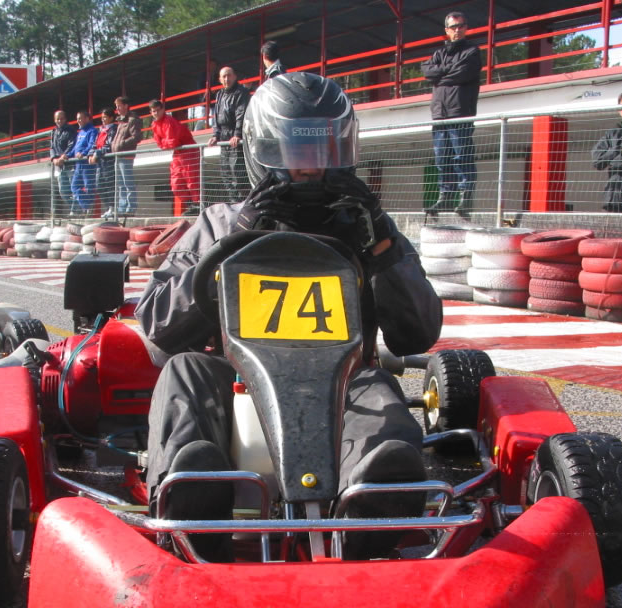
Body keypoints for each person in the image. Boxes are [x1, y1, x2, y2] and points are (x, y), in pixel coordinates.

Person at [134, 73, 443, 562]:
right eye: (298, 151)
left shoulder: (367, 229)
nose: (310, 169)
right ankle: (193, 494)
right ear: (265, 148)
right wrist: (232, 240)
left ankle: (374, 503)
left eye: (324, 150)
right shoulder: (218, 222)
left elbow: (417, 332)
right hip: (235, 379)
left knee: (378, 386)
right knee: (183, 370)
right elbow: (156, 333)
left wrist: (382, 245)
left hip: (343, 382)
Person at [420, 10, 483, 217]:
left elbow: (462, 73)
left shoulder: (472, 52)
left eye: (461, 25)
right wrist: (445, 74)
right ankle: (445, 197)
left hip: (460, 112)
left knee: (461, 155)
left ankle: (465, 198)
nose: (458, 30)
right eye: (453, 26)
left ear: (466, 27)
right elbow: (427, 70)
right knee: (441, 158)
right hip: (439, 114)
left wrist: (440, 76)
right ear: (446, 30)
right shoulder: (439, 53)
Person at [149, 99, 201, 217]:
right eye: (153, 111)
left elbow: (171, 142)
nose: (156, 113)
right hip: (178, 153)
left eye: (158, 110)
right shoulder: (155, 124)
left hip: (189, 151)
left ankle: (197, 204)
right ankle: (191, 204)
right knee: (176, 183)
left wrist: (164, 144)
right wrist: (165, 144)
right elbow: (161, 142)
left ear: (163, 110)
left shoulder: (169, 121)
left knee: (191, 180)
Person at [208, 66, 251, 202]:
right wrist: (215, 135)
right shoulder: (220, 94)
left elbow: (241, 113)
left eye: (229, 75)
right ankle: (234, 203)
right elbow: (216, 116)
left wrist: (237, 133)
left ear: (235, 76)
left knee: (238, 174)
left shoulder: (241, 92)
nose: (227, 79)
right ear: (220, 79)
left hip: (235, 137)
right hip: (224, 139)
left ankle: (244, 204)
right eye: (224, 76)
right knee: (226, 175)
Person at [113, 96, 144, 217]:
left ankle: (130, 207)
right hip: (118, 155)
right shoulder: (121, 121)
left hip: (126, 155)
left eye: (119, 106)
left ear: (126, 106)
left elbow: (137, 136)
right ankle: (122, 207)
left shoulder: (132, 119)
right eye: (116, 107)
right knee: (121, 184)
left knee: (127, 182)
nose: (117, 109)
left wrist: (120, 144)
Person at [66, 110, 98, 216]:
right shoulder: (80, 133)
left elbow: (92, 145)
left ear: (87, 119)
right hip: (78, 165)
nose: (78, 121)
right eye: (77, 118)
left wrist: (83, 153)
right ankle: (86, 206)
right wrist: (67, 155)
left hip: (87, 165)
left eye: (80, 118)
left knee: (89, 187)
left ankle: (88, 209)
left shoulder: (92, 131)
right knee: (74, 187)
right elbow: (75, 148)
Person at [89, 107, 118, 218]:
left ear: (111, 118)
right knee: (99, 185)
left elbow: (109, 145)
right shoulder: (101, 130)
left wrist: (98, 153)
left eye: (105, 117)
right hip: (100, 162)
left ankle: (112, 208)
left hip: (108, 161)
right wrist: (91, 154)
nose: (103, 120)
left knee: (109, 184)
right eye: (102, 118)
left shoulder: (114, 129)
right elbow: (95, 144)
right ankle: (107, 207)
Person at [49, 110, 77, 215]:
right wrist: (53, 159)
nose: (59, 121)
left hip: (70, 164)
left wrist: (62, 157)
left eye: (61, 118)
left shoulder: (71, 130)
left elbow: (72, 145)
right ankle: (73, 207)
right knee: (63, 190)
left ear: (65, 119)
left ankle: (75, 211)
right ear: (54, 120)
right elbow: (52, 147)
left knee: (73, 188)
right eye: (57, 119)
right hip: (59, 166)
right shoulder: (53, 132)